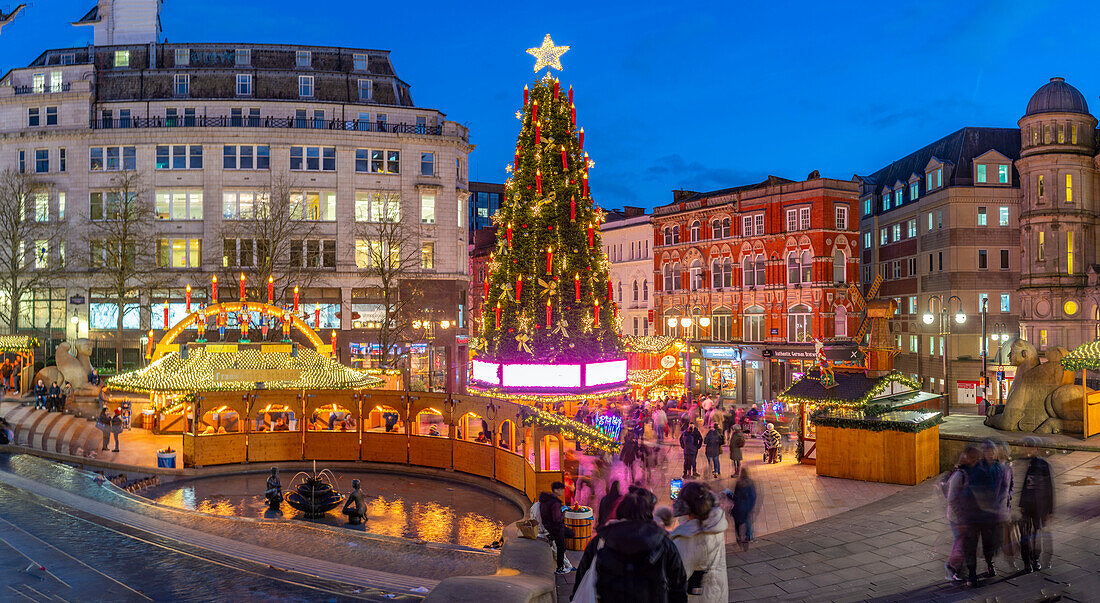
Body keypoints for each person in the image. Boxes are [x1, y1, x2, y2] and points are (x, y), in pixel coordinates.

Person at [572, 489, 688, 603]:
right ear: (648, 514)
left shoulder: (601, 540)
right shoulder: (663, 542)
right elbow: (678, 586)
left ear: (620, 511)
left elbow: (582, 577)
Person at [670, 482, 728, 602]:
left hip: (697, 597)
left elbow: (675, 576)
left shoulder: (688, 538)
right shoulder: (715, 523)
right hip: (717, 590)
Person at [960, 440, 1007, 586]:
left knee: (989, 542)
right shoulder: (976, 468)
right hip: (974, 514)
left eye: (992, 451)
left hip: (989, 513)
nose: (990, 454)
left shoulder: (999, 468)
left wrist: (998, 504)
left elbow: (1004, 487)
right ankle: (972, 573)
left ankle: (989, 563)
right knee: (971, 545)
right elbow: (968, 489)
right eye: (987, 451)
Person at [942, 445, 980, 582]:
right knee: (961, 543)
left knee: (962, 543)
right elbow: (952, 499)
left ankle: (958, 568)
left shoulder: (970, 472)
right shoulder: (959, 475)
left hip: (966, 516)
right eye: (974, 459)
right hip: (957, 517)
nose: (977, 462)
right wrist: (961, 519)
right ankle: (953, 567)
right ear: (968, 459)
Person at [1018, 437, 1053, 573]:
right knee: (1026, 535)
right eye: (1026, 447)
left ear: (1036, 449)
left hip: (1039, 506)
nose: (1027, 450)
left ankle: (1035, 559)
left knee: (1036, 535)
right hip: (1028, 506)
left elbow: (1049, 488)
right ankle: (1027, 561)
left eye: (1030, 448)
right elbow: (1025, 486)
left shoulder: (1042, 465)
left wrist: (1049, 510)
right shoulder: (1027, 463)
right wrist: (1021, 504)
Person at [538, 481, 573, 575]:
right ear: (556, 490)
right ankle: (560, 568)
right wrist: (563, 512)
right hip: (556, 527)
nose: (563, 491)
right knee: (561, 547)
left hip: (548, 526)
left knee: (570, 534)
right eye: (561, 489)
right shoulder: (555, 503)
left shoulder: (545, 500)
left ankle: (551, 537)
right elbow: (556, 518)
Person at [726, 468, 757, 551]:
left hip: (738, 507)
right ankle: (748, 536)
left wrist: (728, 494)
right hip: (747, 507)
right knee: (747, 521)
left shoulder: (739, 483)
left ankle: (739, 537)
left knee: (737, 522)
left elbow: (735, 497)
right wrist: (751, 506)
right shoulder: (751, 484)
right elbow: (753, 496)